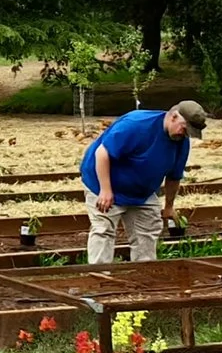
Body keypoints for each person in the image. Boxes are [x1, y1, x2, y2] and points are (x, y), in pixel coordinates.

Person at [77, 100, 206, 264]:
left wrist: (169, 207)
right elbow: (102, 153)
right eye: (184, 128)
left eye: (188, 133)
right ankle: (99, 278)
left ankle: (145, 275)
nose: (184, 134)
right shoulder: (136, 125)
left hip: (141, 192)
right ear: (173, 117)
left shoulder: (180, 142)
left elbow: (174, 176)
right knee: (104, 230)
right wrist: (105, 190)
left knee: (148, 229)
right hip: (103, 182)